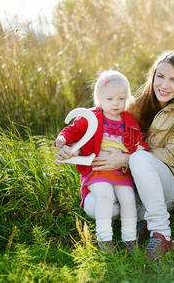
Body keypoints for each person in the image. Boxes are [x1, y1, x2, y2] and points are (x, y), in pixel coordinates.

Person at [88, 51, 174, 260]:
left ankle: (162, 233)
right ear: (153, 76)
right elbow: (97, 122)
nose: (165, 85)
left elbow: (172, 157)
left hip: (169, 185)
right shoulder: (134, 106)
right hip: (134, 186)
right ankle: (140, 220)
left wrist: (127, 158)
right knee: (94, 206)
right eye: (160, 77)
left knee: (138, 157)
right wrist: (69, 144)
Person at [55, 70, 148, 253]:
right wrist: (62, 140)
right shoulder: (91, 117)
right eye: (110, 99)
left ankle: (129, 240)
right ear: (99, 98)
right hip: (97, 170)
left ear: (127, 98)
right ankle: (104, 239)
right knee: (105, 195)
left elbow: (139, 142)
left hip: (121, 171)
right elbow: (71, 130)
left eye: (121, 99)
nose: (115, 103)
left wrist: (142, 151)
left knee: (128, 198)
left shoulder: (128, 120)